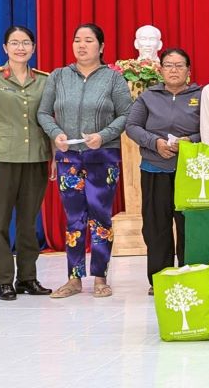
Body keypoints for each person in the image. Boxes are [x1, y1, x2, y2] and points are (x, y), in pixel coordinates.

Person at [37, 24, 133, 299]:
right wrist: (57, 134)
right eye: (77, 40)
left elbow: (126, 114)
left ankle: (100, 277)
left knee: (101, 218)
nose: (81, 45)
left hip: (102, 156)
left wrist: (103, 136)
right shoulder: (58, 76)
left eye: (88, 40)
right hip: (69, 157)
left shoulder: (113, 79)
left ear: (101, 47)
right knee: (74, 219)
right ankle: (73, 278)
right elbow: (43, 113)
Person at [0, 26, 52, 300]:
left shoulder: (44, 80)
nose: (20, 48)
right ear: (5, 48)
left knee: (28, 223)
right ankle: (5, 280)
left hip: (35, 158)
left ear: (33, 47)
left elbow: (49, 120)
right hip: (1, 159)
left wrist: (52, 158)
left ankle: (28, 278)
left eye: (26, 43)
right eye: (14, 43)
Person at [124, 48, 201, 291]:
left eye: (180, 65)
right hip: (155, 169)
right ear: (161, 70)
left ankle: (190, 273)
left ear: (189, 70)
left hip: (191, 172)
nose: (174, 70)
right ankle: (160, 278)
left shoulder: (201, 95)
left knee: (190, 226)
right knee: (156, 226)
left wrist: (191, 140)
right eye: (169, 65)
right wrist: (154, 143)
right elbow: (132, 126)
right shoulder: (148, 97)